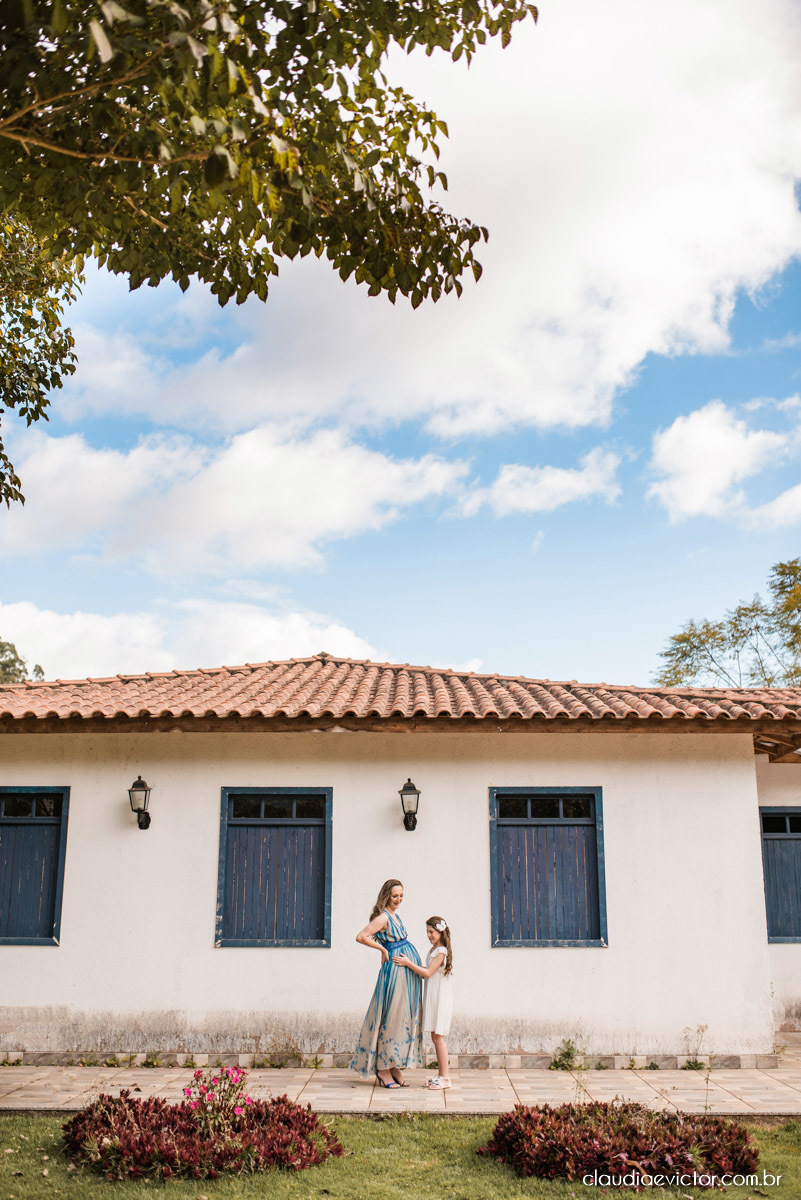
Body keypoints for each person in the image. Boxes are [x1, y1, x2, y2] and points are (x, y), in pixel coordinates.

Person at [350, 878, 424, 1087]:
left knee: (402, 1018)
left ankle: (393, 1065)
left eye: (401, 896)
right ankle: (382, 1068)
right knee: (391, 1017)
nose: (398, 899)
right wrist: (382, 949)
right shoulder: (383, 917)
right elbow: (361, 936)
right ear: (386, 896)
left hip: (405, 972)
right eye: (394, 896)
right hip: (395, 972)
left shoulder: (395, 916)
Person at [393, 915, 453, 1090]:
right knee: (435, 1037)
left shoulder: (441, 951)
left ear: (440, 932)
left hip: (440, 998)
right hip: (434, 996)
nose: (429, 935)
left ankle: (445, 1077)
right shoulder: (434, 949)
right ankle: (441, 1075)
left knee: (438, 1037)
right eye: (427, 932)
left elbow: (427, 973)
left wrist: (407, 963)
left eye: (431, 932)